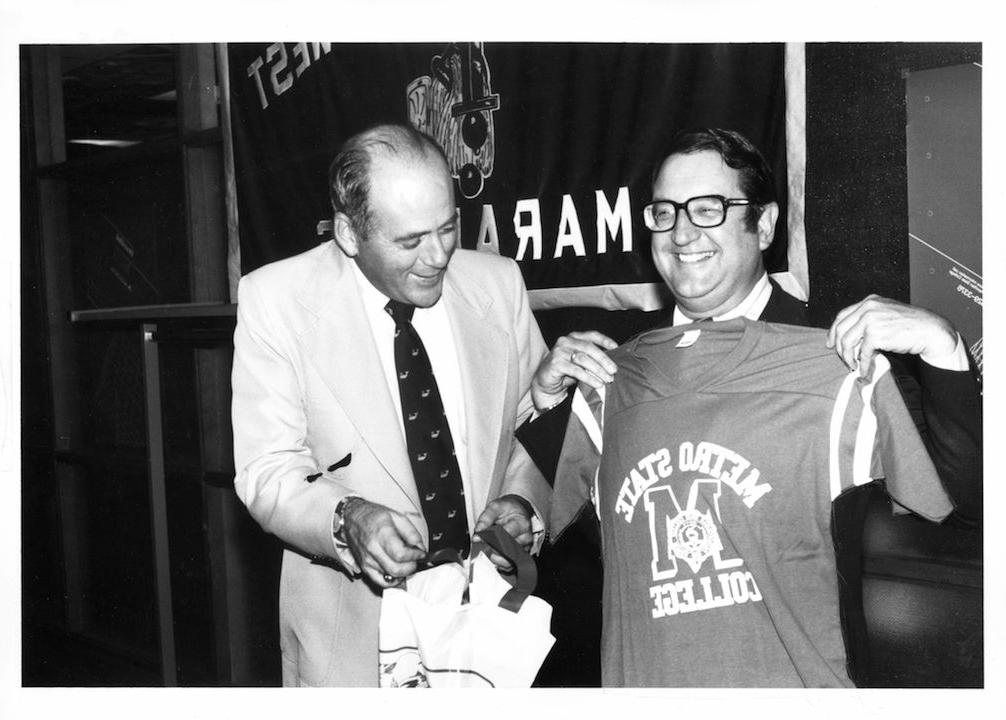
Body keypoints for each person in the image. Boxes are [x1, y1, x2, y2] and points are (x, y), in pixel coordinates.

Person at [518, 128, 981, 686]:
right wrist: (545, 405)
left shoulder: (837, 357)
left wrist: (943, 345)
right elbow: (566, 524)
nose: (682, 232)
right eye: (664, 212)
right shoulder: (616, 371)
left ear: (763, 225)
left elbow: (971, 504)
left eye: (708, 209)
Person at [231, 123, 551, 687]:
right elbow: (267, 469)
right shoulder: (275, 301)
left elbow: (532, 427)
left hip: (489, 630)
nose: (439, 256)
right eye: (410, 241)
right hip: (350, 641)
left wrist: (523, 504)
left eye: (448, 227)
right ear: (350, 234)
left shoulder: (499, 285)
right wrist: (348, 518)